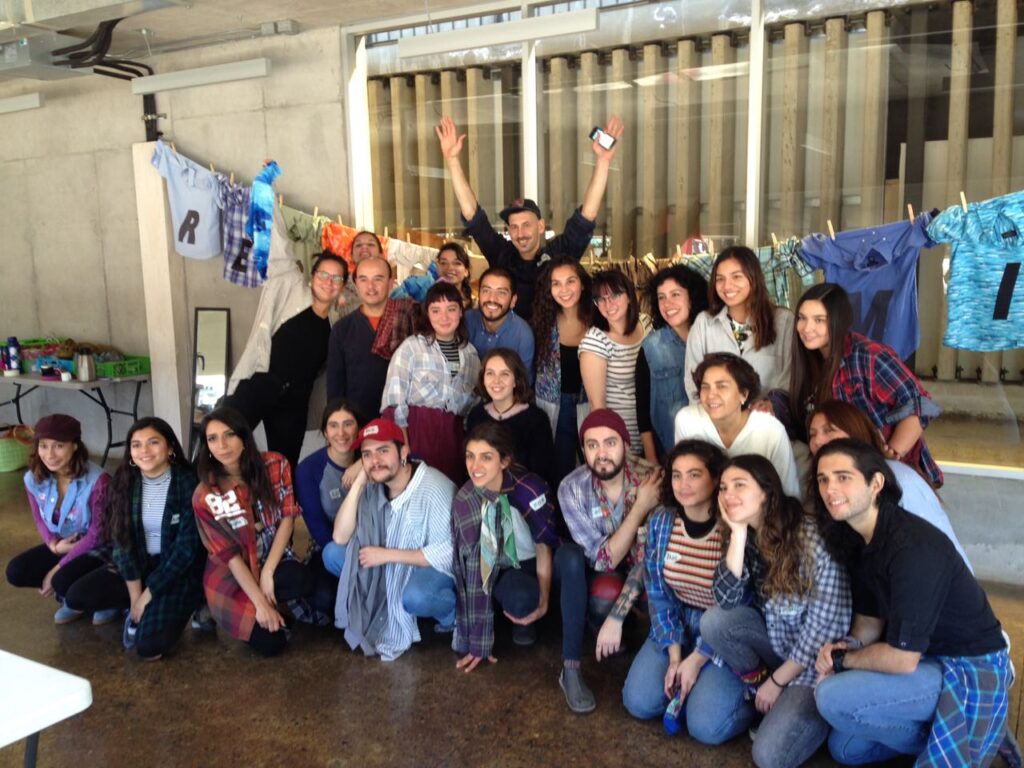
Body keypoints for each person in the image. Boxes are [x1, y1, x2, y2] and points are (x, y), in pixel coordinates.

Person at [813, 439, 1014, 767]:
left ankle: (961, 738)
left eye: (843, 477)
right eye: (823, 479)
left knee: (831, 698)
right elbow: (869, 622)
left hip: (966, 666)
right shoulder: (859, 538)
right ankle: (945, 738)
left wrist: (842, 661)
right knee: (845, 749)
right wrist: (842, 648)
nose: (830, 489)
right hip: (923, 659)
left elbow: (903, 659)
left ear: (876, 483)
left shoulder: (911, 547)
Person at [699, 454, 851, 768]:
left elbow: (825, 629)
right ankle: (760, 692)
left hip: (814, 665)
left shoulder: (808, 538)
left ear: (766, 493)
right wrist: (738, 535)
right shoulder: (740, 532)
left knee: (768, 757)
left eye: (739, 485)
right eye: (724, 487)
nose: (728, 494)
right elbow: (726, 601)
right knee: (714, 622)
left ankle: (809, 714)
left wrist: (779, 682)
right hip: (774, 647)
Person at [451, 422, 592, 713]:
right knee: (519, 598)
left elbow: (544, 545)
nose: (475, 466)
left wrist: (544, 601)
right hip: (509, 567)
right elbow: (473, 570)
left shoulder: (529, 488)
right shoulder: (466, 499)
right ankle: (525, 617)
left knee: (572, 557)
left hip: (542, 559)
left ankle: (571, 668)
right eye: (470, 456)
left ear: (504, 461)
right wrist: (477, 641)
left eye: (486, 457)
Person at [621, 440, 752, 746]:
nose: (683, 484)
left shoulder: (732, 528)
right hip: (679, 620)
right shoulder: (662, 521)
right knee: (637, 702)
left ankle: (751, 701)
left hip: (721, 631)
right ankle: (689, 687)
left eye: (694, 475)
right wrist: (675, 655)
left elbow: (738, 605)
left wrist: (697, 659)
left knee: (704, 728)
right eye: (677, 475)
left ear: (716, 479)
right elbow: (658, 592)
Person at [436, 114, 624, 319]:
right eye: (514, 227)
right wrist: (452, 160)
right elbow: (472, 215)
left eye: (526, 224)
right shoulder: (502, 254)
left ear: (541, 226)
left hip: (556, 339)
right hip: (511, 338)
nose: (520, 233)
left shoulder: (559, 254)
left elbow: (587, 215)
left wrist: (603, 161)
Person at [557, 409, 662, 711]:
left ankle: (649, 647)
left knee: (658, 588)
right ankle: (598, 633)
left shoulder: (652, 479)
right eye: (592, 445)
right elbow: (603, 560)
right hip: (607, 575)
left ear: (626, 445)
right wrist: (640, 508)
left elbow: (652, 559)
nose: (601, 453)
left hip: (646, 572)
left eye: (610, 443)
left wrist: (617, 617)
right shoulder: (572, 488)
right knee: (602, 592)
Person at [790, 281, 943, 487]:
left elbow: (919, 405)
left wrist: (890, 456)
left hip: (893, 480)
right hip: (842, 475)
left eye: (819, 320)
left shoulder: (868, 356)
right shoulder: (807, 362)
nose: (807, 328)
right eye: (802, 318)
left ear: (838, 321)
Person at [331, 418, 456, 662]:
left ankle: (450, 615)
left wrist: (386, 556)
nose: (375, 461)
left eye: (383, 451)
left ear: (404, 452)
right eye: (367, 455)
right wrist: (359, 483)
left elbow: (448, 553)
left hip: (427, 567)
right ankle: (388, 595)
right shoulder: (373, 483)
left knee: (415, 596)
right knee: (332, 554)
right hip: (385, 563)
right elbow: (340, 536)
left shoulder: (434, 487)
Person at [192, 407, 312, 656]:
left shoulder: (276, 463)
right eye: (212, 438)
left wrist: (267, 572)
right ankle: (256, 607)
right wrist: (259, 603)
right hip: (233, 575)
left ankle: (271, 604)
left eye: (229, 435)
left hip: (270, 558)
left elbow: (287, 518)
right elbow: (230, 557)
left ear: (244, 437)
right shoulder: (206, 494)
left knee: (300, 578)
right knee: (272, 645)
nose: (222, 445)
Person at [805, 399, 970, 569]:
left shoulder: (898, 477)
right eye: (812, 434)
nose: (817, 441)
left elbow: (930, 551)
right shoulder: (825, 483)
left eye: (829, 430)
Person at [225, 249, 347, 468]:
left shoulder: (335, 324)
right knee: (224, 439)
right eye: (323, 275)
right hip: (260, 383)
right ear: (312, 276)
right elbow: (279, 252)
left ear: (343, 285)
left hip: (295, 401)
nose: (329, 282)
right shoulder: (292, 294)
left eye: (337, 278)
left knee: (285, 464)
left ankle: (274, 492)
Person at [107, 418, 206, 660]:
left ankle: (193, 601)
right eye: (136, 445)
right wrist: (135, 598)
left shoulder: (187, 481)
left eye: (153, 442)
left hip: (176, 569)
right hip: (141, 563)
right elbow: (121, 542)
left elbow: (186, 549)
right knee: (79, 594)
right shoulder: (124, 480)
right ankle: (131, 606)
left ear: (170, 447)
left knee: (150, 646)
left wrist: (148, 595)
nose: (144, 451)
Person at [6, 414, 117, 625]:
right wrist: (53, 545)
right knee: (16, 571)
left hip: (100, 547)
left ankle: (106, 597)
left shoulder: (98, 481)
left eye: (59, 446)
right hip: (65, 543)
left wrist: (56, 569)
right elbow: (39, 519)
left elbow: (97, 535)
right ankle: (74, 593)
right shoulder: (33, 477)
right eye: (44, 446)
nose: (49, 454)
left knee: (60, 579)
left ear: (74, 446)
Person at [381, 281, 481, 484]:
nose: (444, 317)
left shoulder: (471, 355)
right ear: (427, 314)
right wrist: (403, 450)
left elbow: (474, 407)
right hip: (417, 438)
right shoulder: (411, 348)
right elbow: (394, 403)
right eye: (436, 311)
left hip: (454, 446)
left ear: (461, 312)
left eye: (451, 309)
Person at [674, 352, 800, 498]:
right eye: (705, 387)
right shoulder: (687, 421)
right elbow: (682, 478)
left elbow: (788, 494)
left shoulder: (770, 430)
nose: (711, 395)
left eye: (722, 386)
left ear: (744, 394)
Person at [684, 246, 794, 405]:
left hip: (766, 417)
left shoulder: (783, 321)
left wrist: (770, 406)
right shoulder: (704, 323)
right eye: (720, 279)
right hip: (715, 417)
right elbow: (692, 380)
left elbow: (790, 377)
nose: (727, 286)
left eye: (736, 276)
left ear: (753, 278)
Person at [294, 399, 363, 622]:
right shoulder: (308, 469)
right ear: (325, 431)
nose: (341, 433)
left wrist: (364, 463)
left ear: (359, 429)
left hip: (371, 544)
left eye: (348, 424)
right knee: (325, 599)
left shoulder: (372, 459)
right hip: (331, 548)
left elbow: (406, 454)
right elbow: (318, 530)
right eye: (333, 425)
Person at [327, 256, 414, 421]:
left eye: (378, 279)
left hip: (402, 420)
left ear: (391, 282)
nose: (371, 287)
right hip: (358, 422)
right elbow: (335, 388)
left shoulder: (409, 319)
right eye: (363, 279)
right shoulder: (342, 329)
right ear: (356, 284)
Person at [637, 264, 709, 460]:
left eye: (675, 294)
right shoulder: (651, 347)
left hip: (714, 450)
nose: (667, 304)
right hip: (670, 455)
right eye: (661, 297)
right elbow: (643, 413)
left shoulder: (713, 336)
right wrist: (652, 461)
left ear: (692, 296)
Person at [532, 256, 593, 485]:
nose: (564, 290)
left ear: (582, 284)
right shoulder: (543, 322)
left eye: (570, 281)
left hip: (591, 403)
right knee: (559, 472)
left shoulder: (598, 320)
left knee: (593, 470)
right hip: (552, 406)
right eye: (556, 283)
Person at [580, 269, 652, 455]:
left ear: (629, 296)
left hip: (654, 432)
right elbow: (597, 407)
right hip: (622, 438)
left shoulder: (646, 324)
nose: (608, 304)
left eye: (615, 296)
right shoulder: (595, 341)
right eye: (601, 299)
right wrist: (612, 445)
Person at [465, 348, 555, 489]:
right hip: (482, 493)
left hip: (524, 495)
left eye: (505, 374)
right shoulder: (476, 415)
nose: (496, 380)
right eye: (490, 373)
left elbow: (542, 473)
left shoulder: (536, 420)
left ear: (516, 381)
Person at [464, 267, 535, 381]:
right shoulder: (466, 320)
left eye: (501, 293)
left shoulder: (523, 335)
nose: (492, 298)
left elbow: (523, 383)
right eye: (486, 291)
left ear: (513, 301)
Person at [390, 241, 475, 309]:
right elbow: (394, 298)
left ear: (466, 271)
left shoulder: (474, 305)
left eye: (457, 263)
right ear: (437, 266)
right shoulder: (424, 286)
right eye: (444, 263)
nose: (450, 268)